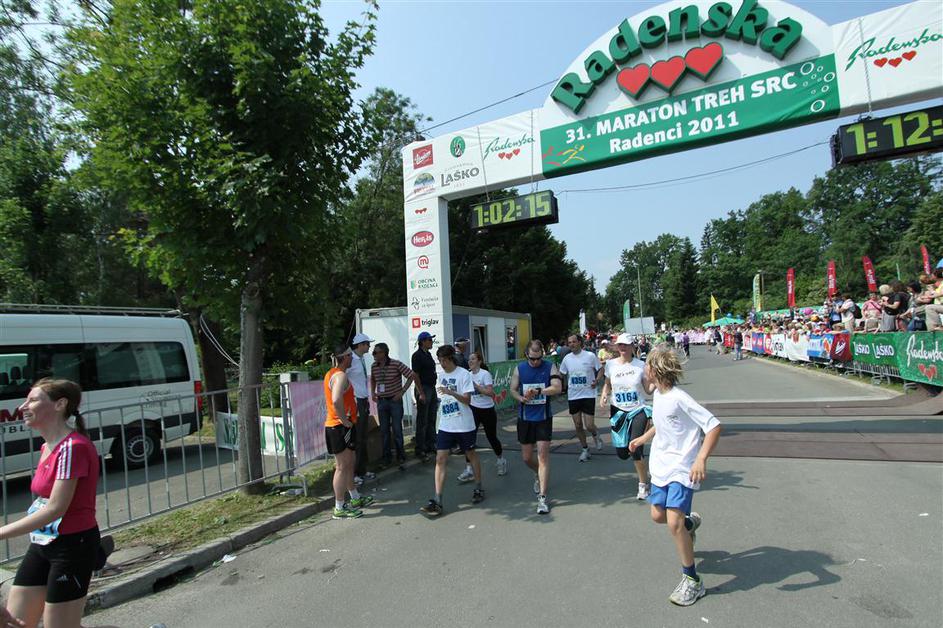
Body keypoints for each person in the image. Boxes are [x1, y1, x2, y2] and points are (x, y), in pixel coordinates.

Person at [1, 379, 102, 628]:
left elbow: (56, 508)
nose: (23, 406)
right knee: (13, 623)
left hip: (73, 546)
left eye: (33, 400)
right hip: (43, 543)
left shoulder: (73, 447)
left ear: (60, 404)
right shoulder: (47, 446)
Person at [629, 347, 721, 607]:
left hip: (682, 468)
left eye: (647, 365)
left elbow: (713, 426)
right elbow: (662, 423)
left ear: (655, 370)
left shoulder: (680, 398)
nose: (644, 370)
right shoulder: (659, 394)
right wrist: (643, 438)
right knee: (657, 516)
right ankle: (689, 525)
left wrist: (701, 459)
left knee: (673, 524)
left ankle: (692, 580)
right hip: (661, 467)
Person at [419, 345, 483, 516]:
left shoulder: (464, 374)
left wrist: (451, 392)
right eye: (439, 360)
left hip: (464, 424)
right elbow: (443, 399)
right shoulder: (440, 376)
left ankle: (478, 487)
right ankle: (437, 499)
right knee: (440, 459)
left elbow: (467, 400)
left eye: (444, 360)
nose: (442, 363)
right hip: (446, 424)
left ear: (451, 358)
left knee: (471, 455)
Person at [510, 340, 563, 514]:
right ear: (526, 355)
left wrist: (539, 391)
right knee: (527, 458)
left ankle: (542, 498)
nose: (535, 362)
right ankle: (538, 473)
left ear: (542, 354)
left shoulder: (550, 367)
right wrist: (521, 398)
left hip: (543, 418)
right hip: (525, 418)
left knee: (542, 457)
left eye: (538, 358)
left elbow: (557, 388)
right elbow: (512, 389)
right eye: (532, 359)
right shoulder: (519, 369)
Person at [599, 334, 654, 500]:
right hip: (618, 411)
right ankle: (641, 464)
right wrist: (604, 394)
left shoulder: (640, 365)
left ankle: (643, 484)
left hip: (638, 409)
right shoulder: (610, 365)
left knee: (634, 447)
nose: (623, 348)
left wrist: (660, 380)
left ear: (632, 347)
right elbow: (607, 384)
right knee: (622, 453)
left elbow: (648, 390)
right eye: (620, 345)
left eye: (626, 345)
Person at [324, 345, 374, 520]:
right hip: (338, 427)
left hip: (343, 426)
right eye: (350, 355)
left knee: (350, 463)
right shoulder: (340, 376)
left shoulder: (333, 373)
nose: (352, 358)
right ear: (345, 357)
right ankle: (339, 507)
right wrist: (344, 420)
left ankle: (355, 497)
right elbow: (336, 399)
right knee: (342, 466)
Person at [458, 351, 508, 481]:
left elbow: (490, 393)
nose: (470, 361)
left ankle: (501, 460)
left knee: (491, 437)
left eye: (473, 359)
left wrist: (476, 386)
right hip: (473, 409)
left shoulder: (485, 374)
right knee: (469, 439)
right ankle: (469, 469)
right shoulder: (467, 375)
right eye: (469, 359)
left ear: (479, 361)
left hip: (487, 410)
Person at [370, 342, 420, 469]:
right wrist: (373, 392)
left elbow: (412, 375)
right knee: (384, 431)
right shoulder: (374, 366)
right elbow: (373, 379)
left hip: (394, 401)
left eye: (376, 352)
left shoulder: (396, 364)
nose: (374, 355)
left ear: (384, 353)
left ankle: (400, 455)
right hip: (382, 401)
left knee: (397, 429)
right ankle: (387, 457)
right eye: (373, 352)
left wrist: (402, 392)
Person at [559, 334, 604, 462]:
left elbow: (601, 369)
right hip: (573, 395)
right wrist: (557, 385)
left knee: (589, 425)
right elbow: (561, 374)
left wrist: (597, 380)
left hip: (588, 394)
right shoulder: (567, 358)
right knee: (578, 425)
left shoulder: (590, 356)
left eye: (574, 342)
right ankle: (585, 449)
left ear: (579, 342)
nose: (571, 344)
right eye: (569, 342)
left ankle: (595, 434)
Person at [347, 333, 376, 486]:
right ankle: (355, 473)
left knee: (363, 436)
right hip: (356, 401)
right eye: (367, 344)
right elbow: (342, 375)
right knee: (358, 438)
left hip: (363, 400)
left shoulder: (361, 359)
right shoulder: (351, 359)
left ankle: (362, 470)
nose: (369, 346)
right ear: (360, 345)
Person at [410, 331, 435, 462]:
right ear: (423, 342)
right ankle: (420, 448)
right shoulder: (417, 356)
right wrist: (421, 393)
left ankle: (430, 444)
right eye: (429, 340)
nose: (431, 342)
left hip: (431, 387)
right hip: (424, 388)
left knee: (431, 418)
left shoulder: (428, 354)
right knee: (422, 420)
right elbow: (415, 375)